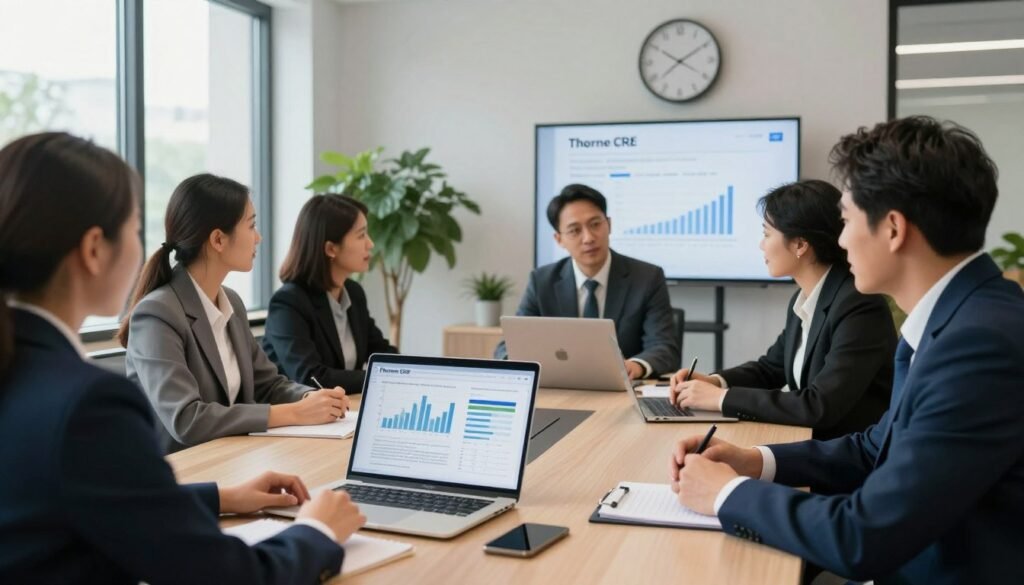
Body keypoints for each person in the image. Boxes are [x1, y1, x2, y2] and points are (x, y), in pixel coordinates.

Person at [669, 116, 1024, 585]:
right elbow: (876, 446)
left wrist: (727, 493)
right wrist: (753, 461)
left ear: (893, 229)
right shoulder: (958, 318)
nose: (838, 240)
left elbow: (864, 537)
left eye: (848, 220)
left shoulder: (979, 344)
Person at [0, 132, 365, 583]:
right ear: (95, 249)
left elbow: (87, 503)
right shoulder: (87, 404)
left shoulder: (22, 372)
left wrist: (218, 498)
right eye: (134, 228)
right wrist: (316, 531)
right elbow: (228, 576)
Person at [120, 174, 350, 453]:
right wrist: (295, 413)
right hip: (182, 473)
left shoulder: (231, 302)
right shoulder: (157, 314)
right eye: (251, 225)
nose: (259, 237)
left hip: (233, 458)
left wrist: (314, 398)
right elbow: (187, 420)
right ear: (218, 239)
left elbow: (267, 384)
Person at [668, 180, 895, 439]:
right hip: (812, 444)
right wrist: (716, 381)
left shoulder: (858, 305)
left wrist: (721, 398)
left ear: (800, 245)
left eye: (766, 234)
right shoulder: (806, 298)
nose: (761, 246)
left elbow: (819, 406)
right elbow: (770, 369)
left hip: (847, 459)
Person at [494, 183, 679, 378]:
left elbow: (664, 346)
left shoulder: (647, 278)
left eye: (595, 224)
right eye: (574, 230)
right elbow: (507, 346)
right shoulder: (542, 282)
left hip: (624, 392)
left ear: (609, 224)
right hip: (561, 390)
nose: (589, 238)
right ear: (559, 239)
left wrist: (635, 366)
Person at [263, 194, 397, 392]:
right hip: (298, 417)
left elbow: (381, 352)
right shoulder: (289, 302)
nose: (370, 244)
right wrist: (382, 378)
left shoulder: (353, 292)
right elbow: (311, 377)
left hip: (339, 411)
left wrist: (409, 371)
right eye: (361, 235)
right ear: (331, 249)